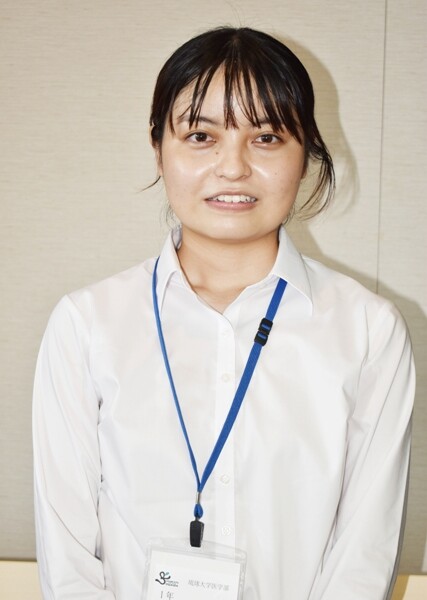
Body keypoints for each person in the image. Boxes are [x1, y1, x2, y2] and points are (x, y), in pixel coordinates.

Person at [33, 27, 415, 600]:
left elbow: (364, 552)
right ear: (158, 147)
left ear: (306, 155)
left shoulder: (368, 331)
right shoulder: (86, 326)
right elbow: (68, 560)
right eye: (200, 136)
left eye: (266, 137)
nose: (233, 167)